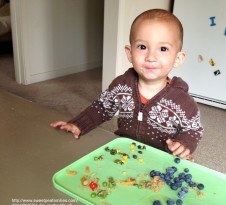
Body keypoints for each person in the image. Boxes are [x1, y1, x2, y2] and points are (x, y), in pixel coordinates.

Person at [50, 9, 203, 161]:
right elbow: (101, 108)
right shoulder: (121, 86)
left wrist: (183, 144)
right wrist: (78, 125)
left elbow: (193, 129)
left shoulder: (182, 101)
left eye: (163, 49)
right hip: (125, 150)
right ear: (130, 53)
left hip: (163, 158)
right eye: (142, 47)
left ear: (178, 58)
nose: (151, 57)